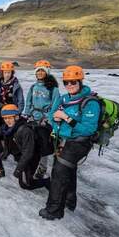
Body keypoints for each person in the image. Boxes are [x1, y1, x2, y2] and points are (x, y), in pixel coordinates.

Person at [39, 66, 100, 220]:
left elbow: (88, 129)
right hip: (63, 139)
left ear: (80, 81)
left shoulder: (90, 102)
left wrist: (67, 118)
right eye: (66, 82)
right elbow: (53, 116)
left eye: (73, 82)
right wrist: (56, 119)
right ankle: (69, 201)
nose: (69, 85)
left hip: (79, 142)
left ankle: (54, 211)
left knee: (59, 172)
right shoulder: (64, 99)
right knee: (68, 170)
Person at [0, 105, 50, 189]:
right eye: (5, 118)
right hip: (18, 152)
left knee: (25, 184)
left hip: (31, 158)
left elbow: (28, 153)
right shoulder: (5, 127)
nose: (7, 121)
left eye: (10, 118)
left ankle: (46, 182)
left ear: (17, 117)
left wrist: (19, 169)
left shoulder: (25, 130)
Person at [23, 60, 59, 179]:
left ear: (47, 72)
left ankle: (42, 168)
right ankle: (31, 162)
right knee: (32, 142)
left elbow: (55, 105)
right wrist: (27, 114)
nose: (40, 72)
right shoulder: (33, 87)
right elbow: (28, 101)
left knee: (43, 144)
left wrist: (49, 119)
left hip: (45, 120)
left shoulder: (53, 89)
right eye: (38, 70)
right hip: (33, 117)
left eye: (42, 70)